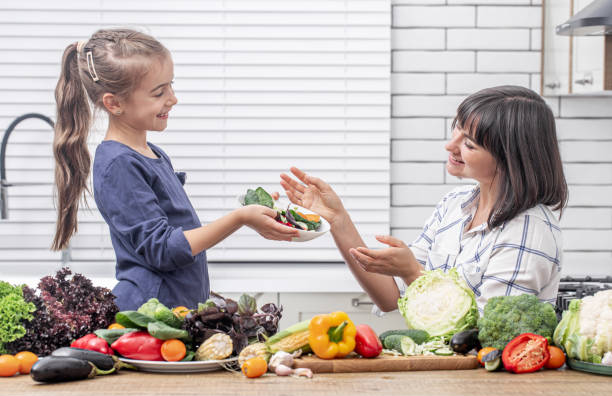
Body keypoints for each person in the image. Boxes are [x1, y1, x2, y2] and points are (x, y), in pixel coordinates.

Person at [51, 29, 298, 311]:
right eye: (159, 92)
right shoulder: (119, 165)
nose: (173, 98)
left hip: (173, 313)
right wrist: (240, 218)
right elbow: (164, 250)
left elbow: (177, 235)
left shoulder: (152, 154)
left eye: (171, 86)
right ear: (114, 103)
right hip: (150, 318)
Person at [281, 85, 568, 313]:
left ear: (510, 160)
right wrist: (339, 221)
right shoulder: (454, 205)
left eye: (468, 143)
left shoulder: (530, 229)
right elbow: (390, 297)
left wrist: (412, 274)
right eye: (456, 131)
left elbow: (486, 335)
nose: (450, 146)